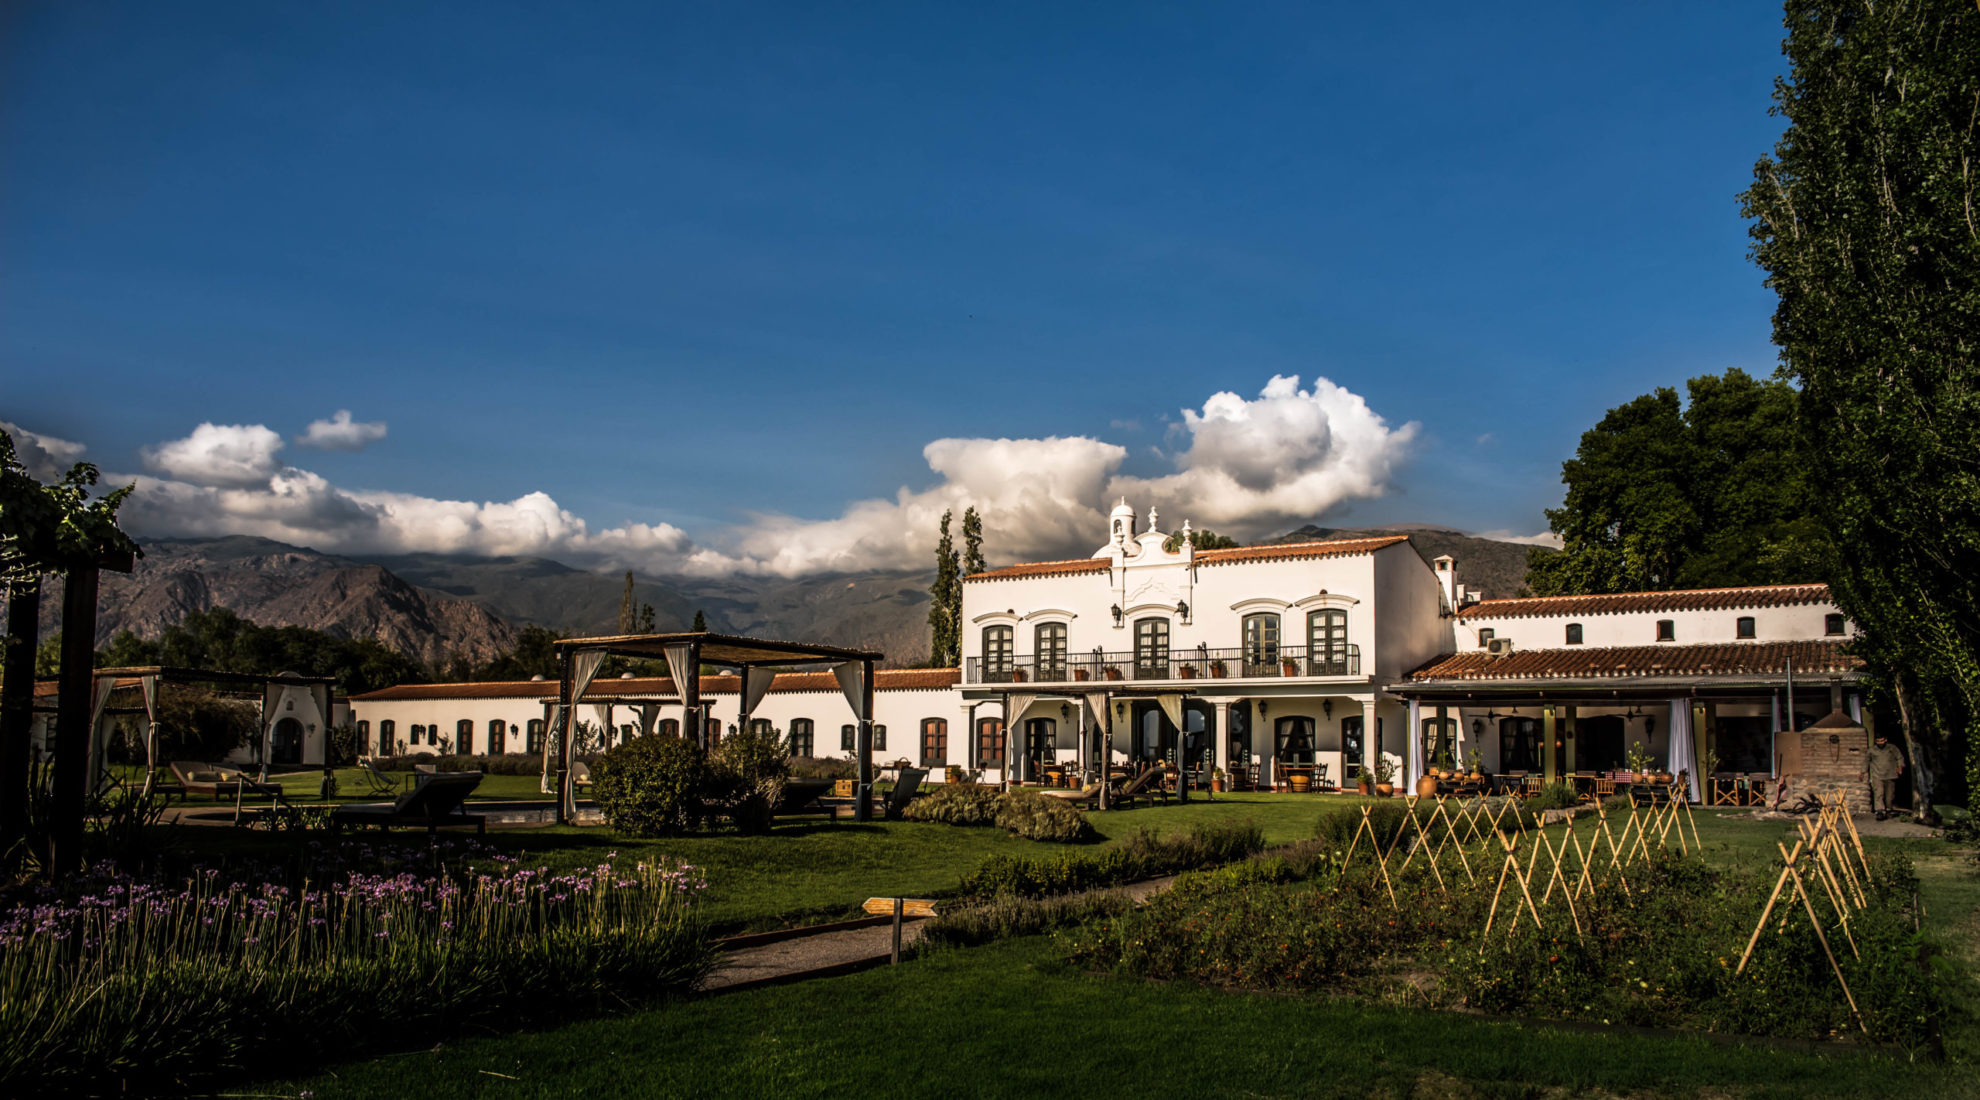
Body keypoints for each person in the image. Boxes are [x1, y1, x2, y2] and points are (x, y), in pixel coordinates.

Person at [1866, 733, 1905, 820]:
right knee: (1879, 793)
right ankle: (1879, 811)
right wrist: (1863, 772)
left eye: (1882, 741)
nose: (1880, 743)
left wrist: (1900, 766)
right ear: (1875, 741)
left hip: (1890, 774)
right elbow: (1866, 761)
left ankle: (1889, 809)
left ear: (1885, 740)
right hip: (1877, 774)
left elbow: (1899, 757)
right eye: (1878, 741)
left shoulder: (1892, 748)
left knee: (1889, 795)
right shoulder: (1872, 750)